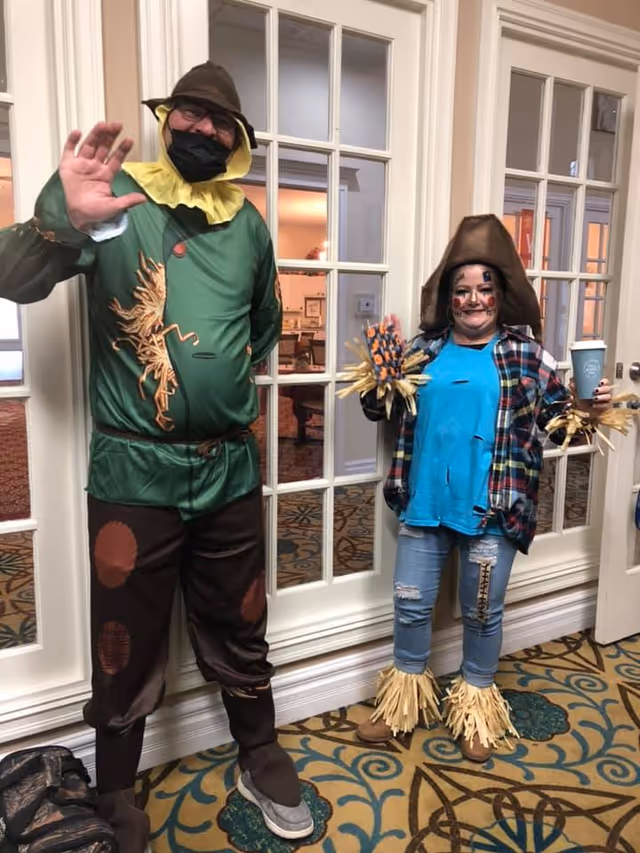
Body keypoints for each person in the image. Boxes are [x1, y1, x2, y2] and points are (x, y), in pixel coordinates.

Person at [0, 61, 313, 850]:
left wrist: (215, 380)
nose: (202, 127)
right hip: (132, 477)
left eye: (219, 121)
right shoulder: (113, 201)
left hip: (229, 470)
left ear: (236, 140)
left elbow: (264, 326)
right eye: (189, 113)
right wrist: (60, 221)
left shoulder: (248, 225)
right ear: (167, 118)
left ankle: (259, 750)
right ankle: (114, 787)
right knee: (124, 636)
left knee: (243, 617)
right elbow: (12, 277)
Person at [354, 215, 612, 762]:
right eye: (462, 289)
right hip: (424, 504)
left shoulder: (527, 356)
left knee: (481, 613)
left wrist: (589, 408)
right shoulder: (422, 350)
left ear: (501, 295)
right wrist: (382, 371)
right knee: (410, 607)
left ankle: (475, 710)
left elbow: (563, 426)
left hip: (493, 512)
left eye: (484, 288)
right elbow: (378, 409)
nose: (473, 299)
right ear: (448, 299)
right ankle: (403, 706)